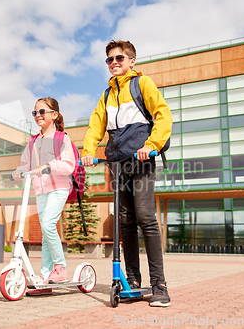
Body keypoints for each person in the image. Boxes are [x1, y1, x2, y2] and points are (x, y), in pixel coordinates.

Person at [81, 40, 173, 307]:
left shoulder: (142, 84)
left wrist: (151, 146)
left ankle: (159, 284)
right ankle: (132, 280)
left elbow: (163, 115)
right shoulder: (106, 95)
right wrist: (89, 151)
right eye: (109, 60)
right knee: (125, 222)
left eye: (119, 58)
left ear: (131, 61)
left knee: (146, 217)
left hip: (141, 159)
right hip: (117, 163)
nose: (114, 63)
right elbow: (94, 126)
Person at [12, 97, 76, 296]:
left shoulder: (61, 138)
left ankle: (60, 268)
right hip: (40, 190)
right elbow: (27, 164)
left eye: (42, 112)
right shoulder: (33, 141)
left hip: (59, 187)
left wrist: (49, 167)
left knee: (48, 225)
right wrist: (18, 171)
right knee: (46, 234)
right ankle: (46, 277)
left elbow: (69, 165)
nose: (38, 116)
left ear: (54, 115)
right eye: (35, 113)